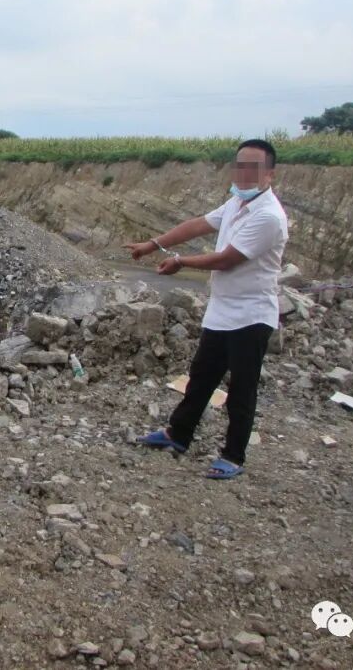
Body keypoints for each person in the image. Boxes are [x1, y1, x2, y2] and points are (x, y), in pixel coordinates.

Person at [122, 139, 288, 480]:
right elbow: (199, 224)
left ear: (269, 174)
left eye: (253, 168)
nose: (244, 174)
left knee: (242, 388)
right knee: (201, 378)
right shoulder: (236, 204)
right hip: (223, 309)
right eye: (239, 166)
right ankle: (178, 434)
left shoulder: (269, 216)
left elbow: (228, 259)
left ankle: (233, 455)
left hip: (252, 314)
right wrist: (153, 244)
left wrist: (180, 261)